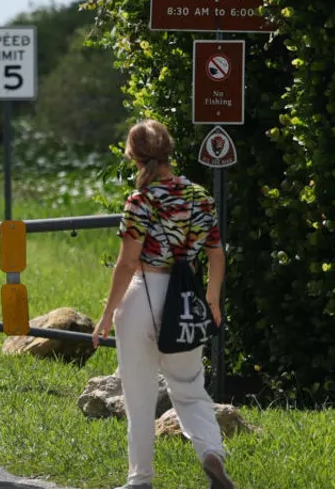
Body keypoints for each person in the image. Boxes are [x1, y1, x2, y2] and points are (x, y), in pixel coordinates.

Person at [90, 119, 234, 489]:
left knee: (138, 396)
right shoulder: (200, 196)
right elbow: (217, 254)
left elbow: (126, 263)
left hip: (143, 294)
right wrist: (212, 298)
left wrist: (107, 314)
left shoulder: (140, 200)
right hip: (186, 300)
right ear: (169, 150)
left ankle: (140, 480)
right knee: (189, 388)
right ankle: (211, 452)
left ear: (133, 156)